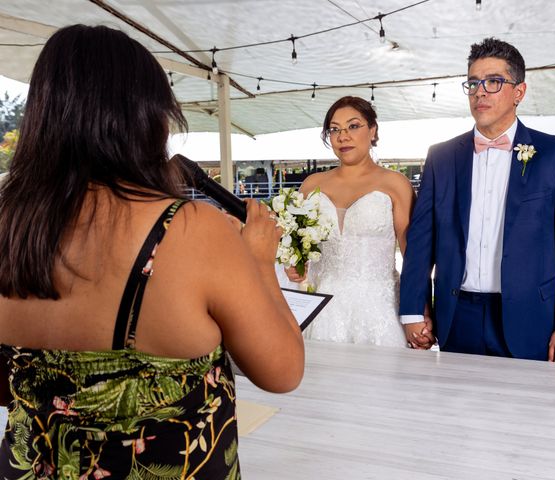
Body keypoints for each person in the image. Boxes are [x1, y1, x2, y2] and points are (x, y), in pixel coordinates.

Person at [0, 24, 303, 479]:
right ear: (145, 116)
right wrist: (260, 261)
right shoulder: (188, 229)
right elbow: (283, 372)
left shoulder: (8, 225)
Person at [399, 37, 555, 362]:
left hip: (532, 318)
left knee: (526, 410)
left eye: (493, 81)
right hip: (457, 315)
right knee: (455, 408)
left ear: (519, 92)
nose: (480, 91)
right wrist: (413, 311)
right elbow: (421, 243)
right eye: (473, 83)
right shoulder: (441, 157)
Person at [286, 96, 415, 347]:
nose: (343, 136)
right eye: (335, 129)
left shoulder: (396, 184)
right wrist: (294, 267)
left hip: (379, 308)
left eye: (353, 126)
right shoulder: (310, 185)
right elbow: (296, 249)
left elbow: (413, 255)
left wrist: (419, 313)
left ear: (373, 130)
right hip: (321, 309)